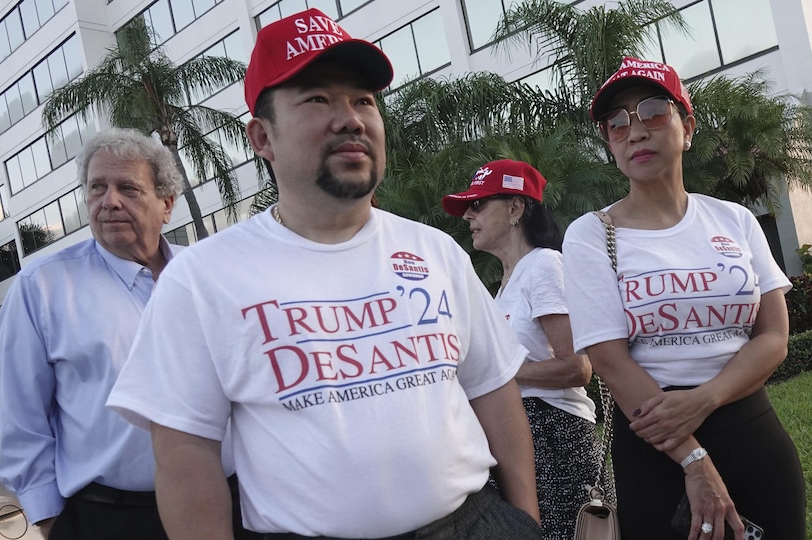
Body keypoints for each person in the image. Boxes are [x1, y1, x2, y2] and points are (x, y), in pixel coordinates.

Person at [106, 8, 542, 540]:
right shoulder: (201, 278)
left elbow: (493, 392)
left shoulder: (434, 251)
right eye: (317, 99)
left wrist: (525, 523)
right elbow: (184, 457)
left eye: (363, 100)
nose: (351, 118)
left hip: (474, 525)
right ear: (262, 137)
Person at [561, 57, 806, 540]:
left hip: (752, 427)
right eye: (616, 123)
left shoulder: (734, 220)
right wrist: (694, 459)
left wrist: (707, 397)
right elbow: (609, 360)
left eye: (653, 111)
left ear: (687, 126)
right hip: (657, 440)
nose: (634, 132)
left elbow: (774, 336)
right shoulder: (590, 234)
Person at [0, 128, 255, 540]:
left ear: (166, 204)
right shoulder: (42, 287)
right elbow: (17, 417)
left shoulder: (208, 276)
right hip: (110, 520)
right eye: (97, 188)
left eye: (127, 188)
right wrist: (50, 520)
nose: (108, 201)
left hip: (228, 507)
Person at [442, 160, 612, 539]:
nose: (468, 215)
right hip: (517, 433)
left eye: (479, 204)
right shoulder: (504, 287)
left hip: (554, 434)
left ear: (516, 208)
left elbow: (578, 368)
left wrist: (495, 373)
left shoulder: (544, 265)